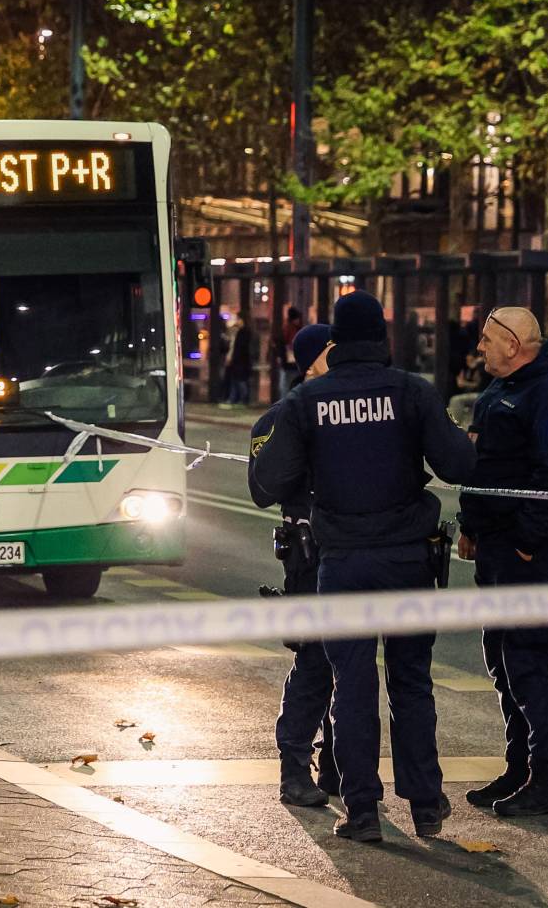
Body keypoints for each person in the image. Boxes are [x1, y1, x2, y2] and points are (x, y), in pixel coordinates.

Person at [249, 291, 476, 843]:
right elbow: (459, 463)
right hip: (407, 559)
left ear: (336, 343)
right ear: (384, 337)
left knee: (351, 687)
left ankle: (364, 812)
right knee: (411, 684)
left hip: (343, 562)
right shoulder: (413, 392)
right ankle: (425, 804)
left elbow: (268, 484)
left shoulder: (308, 401)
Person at [456, 306, 548, 817]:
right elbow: (482, 465)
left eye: (488, 339)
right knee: (504, 659)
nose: (481, 348)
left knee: (530, 660)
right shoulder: (500, 389)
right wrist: (471, 524)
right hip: (496, 545)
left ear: (514, 343)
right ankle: (520, 768)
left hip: (529, 550)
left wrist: (527, 541)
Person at [249, 322, 339, 808]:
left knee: (349, 662)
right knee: (315, 661)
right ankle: (294, 767)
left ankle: (338, 765)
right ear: (309, 364)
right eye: (331, 351)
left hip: (351, 552)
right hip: (309, 557)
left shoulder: (346, 405)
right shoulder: (282, 416)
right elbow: (261, 490)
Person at [222, 316, 254, 406]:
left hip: (241, 361)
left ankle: (243, 399)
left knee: (241, 380)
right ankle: (233, 399)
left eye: (239, 319)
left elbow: (240, 348)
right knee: (235, 380)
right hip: (237, 361)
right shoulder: (238, 332)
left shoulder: (244, 333)